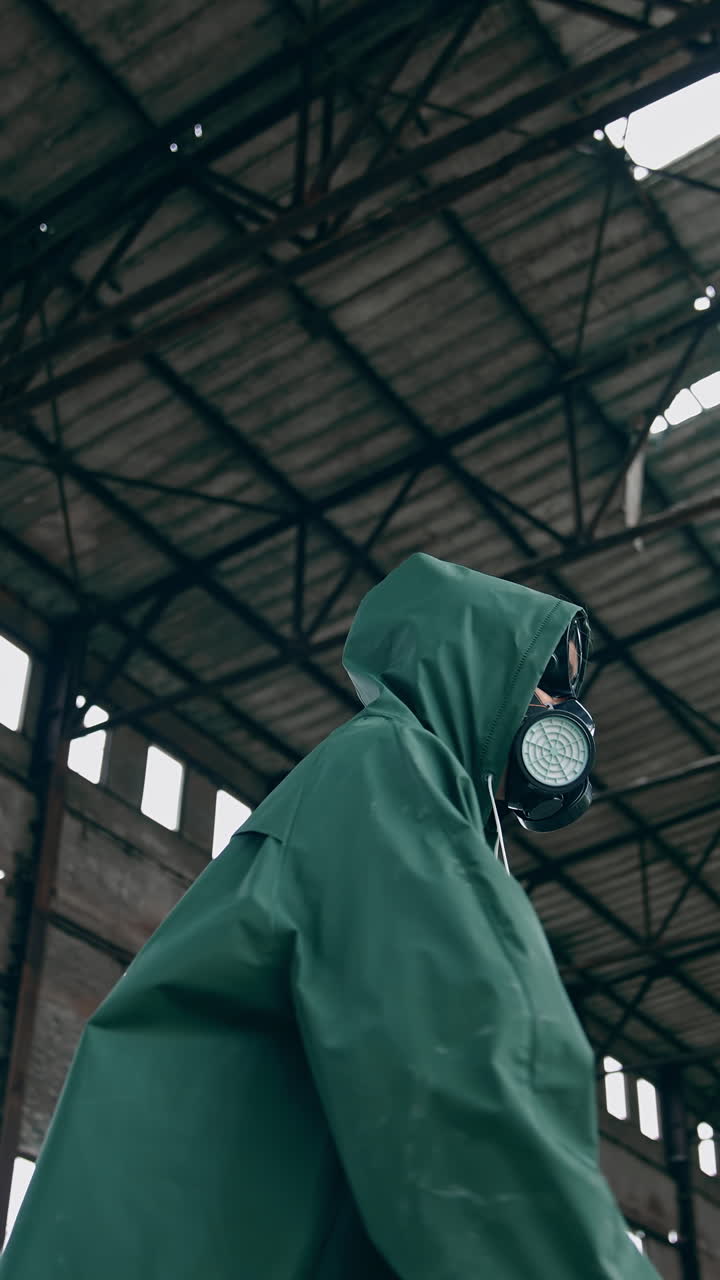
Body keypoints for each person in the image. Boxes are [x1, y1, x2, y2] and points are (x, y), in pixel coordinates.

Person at [0, 553, 660, 1279]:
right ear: (475, 666)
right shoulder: (394, 776)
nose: (555, 707)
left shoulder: (403, 794)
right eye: (543, 679)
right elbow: (465, 1086)